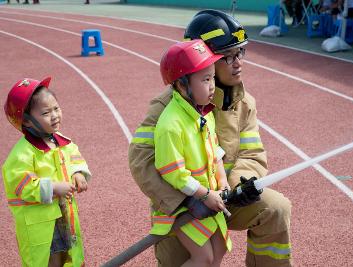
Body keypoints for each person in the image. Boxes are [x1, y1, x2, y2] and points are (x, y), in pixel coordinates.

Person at [129, 9, 292, 267]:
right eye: (228, 56)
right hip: (184, 209)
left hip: (228, 199)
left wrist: (238, 186)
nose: (238, 62)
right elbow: (142, 161)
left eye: (241, 52)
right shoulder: (167, 107)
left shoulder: (244, 103)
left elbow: (252, 154)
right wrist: (188, 200)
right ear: (202, 60)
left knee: (276, 208)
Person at [150, 39, 231, 266]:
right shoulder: (170, 125)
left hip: (208, 199)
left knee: (220, 249)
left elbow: (214, 151)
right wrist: (205, 194)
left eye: (213, 77)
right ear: (182, 85)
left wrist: (222, 180)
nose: (213, 85)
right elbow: (174, 174)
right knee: (203, 257)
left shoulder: (205, 113)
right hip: (184, 205)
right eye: (205, 79)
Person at [2, 77, 91, 267]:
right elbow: (22, 186)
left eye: (56, 109)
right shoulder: (22, 154)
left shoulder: (61, 142)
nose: (55, 115)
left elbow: (74, 156)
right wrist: (53, 188)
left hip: (63, 215)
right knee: (49, 260)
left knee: (67, 254)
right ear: (26, 121)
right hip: (41, 224)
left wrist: (78, 173)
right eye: (46, 112)